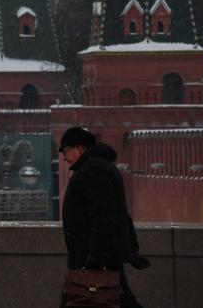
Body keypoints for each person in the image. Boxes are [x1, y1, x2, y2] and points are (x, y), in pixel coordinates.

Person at [58, 127, 147, 308]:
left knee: (79, 298)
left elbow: (103, 216)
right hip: (100, 256)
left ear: (79, 148)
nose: (64, 158)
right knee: (118, 297)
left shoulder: (94, 169)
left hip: (96, 259)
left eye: (66, 151)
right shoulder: (97, 167)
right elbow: (111, 214)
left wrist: (94, 258)